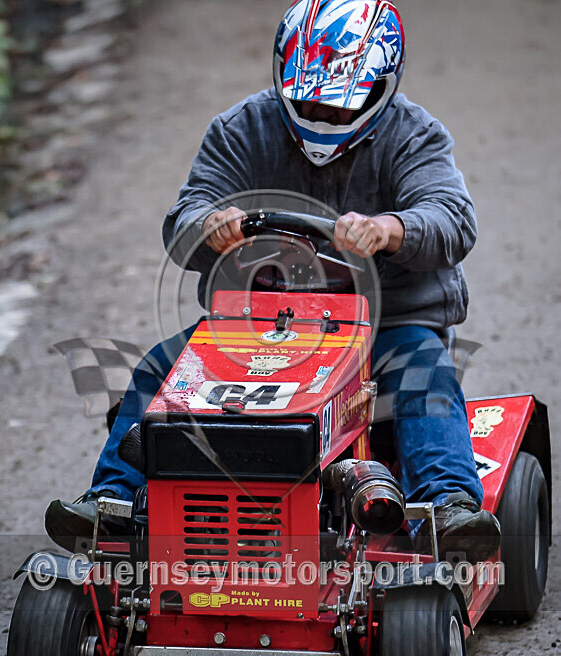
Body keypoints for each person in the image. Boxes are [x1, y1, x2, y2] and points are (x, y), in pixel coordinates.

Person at [46, 0, 500, 563]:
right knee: (161, 366)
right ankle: (111, 501)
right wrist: (206, 226)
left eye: (337, 108)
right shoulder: (242, 130)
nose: (322, 117)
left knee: (422, 371)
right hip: (258, 321)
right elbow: (185, 215)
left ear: (378, 89)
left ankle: (447, 506)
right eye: (308, 102)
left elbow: (453, 218)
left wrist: (390, 228)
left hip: (385, 324)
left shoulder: (414, 136)